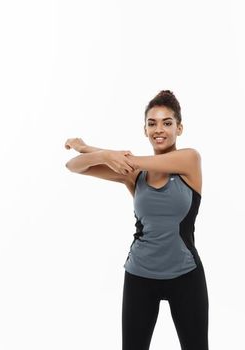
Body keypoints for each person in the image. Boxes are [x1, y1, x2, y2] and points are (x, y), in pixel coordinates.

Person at [64, 90, 208, 349]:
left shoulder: (190, 160)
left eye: (167, 122)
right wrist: (99, 154)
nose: (159, 129)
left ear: (180, 127)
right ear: (144, 130)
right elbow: (73, 166)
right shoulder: (134, 174)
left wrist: (99, 151)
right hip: (140, 275)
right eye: (151, 123)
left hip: (186, 275)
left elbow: (140, 162)